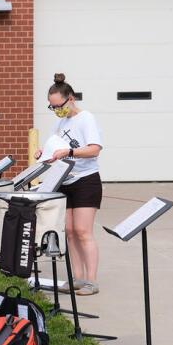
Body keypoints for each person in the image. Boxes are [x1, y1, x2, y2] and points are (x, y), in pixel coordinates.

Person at [36, 73, 104, 296]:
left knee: (84, 231)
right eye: (52, 107)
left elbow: (94, 148)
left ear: (71, 99)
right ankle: (77, 277)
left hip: (86, 180)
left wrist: (70, 151)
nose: (57, 110)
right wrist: (43, 153)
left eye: (59, 105)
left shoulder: (86, 119)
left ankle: (91, 281)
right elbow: (53, 146)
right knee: (71, 232)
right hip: (65, 180)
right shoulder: (60, 122)